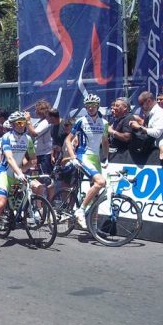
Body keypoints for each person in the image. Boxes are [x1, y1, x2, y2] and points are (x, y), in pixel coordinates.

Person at [0, 112, 40, 250]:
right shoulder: (7, 137)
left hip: (17, 172)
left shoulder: (28, 139)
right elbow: (9, 158)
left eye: (24, 122)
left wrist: (26, 168)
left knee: (30, 190)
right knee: (1, 203)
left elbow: (33, 159)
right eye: (19, 123)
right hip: (4, 172)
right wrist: (19, 172)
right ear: (13, 125)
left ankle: (19, 213)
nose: (22, 125)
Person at [65, 94, 109, 230]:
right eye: (88, 105)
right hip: (83, 156)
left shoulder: (105, 123)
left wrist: (105, 158)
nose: (90, 108)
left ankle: (94, 228)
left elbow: (105, 142)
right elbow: (68, 140)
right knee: (100, 182)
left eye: (93, 105)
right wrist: (73, 158)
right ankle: (81, 210)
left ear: (98, 106)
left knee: (97, 194)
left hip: (95, 158)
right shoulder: (81, 121)